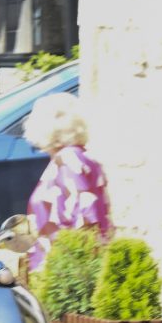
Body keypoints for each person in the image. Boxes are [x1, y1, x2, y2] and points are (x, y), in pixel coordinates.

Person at [24, 93, 111, 270]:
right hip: (61, 267)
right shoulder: (79, 158)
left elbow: (85, 220)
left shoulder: (68, 161)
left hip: (64, 271)